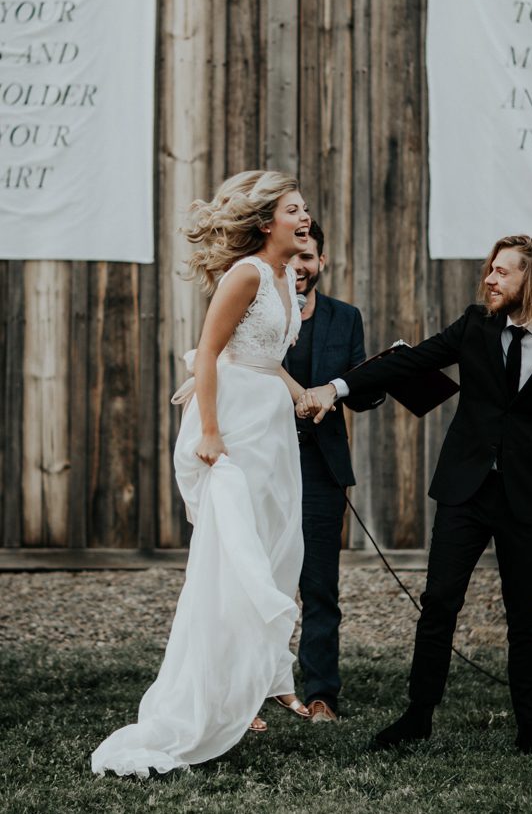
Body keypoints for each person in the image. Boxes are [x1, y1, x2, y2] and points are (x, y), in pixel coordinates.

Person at [297, 235, 532, 754]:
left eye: (501, 272)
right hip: (464, 491)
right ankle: (418, 716)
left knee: (526, 614)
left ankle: (531, 730)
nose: (489, 279)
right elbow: (407, 363)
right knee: (439, 603)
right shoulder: (475, 325)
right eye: (490, 270)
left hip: (527, 498)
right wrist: (336, 389)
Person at [92, 170, 315, 778]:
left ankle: (240, 692)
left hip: (271, 429)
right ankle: (197, 706)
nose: (305, 218)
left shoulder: (285, 279)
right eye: (294, 209)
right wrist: (210, 432)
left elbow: (263, 359)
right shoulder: (246, 273)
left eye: (305, 210)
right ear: (267, 221)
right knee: (230, 565)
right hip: (233, 431)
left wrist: (301, 394)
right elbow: (211, 351)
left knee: (270, 557)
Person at [285, 221, 384, 723]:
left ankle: (322, 692)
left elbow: (363, 390)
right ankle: (255, 690)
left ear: (321, 262)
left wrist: (375, 379)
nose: (299, 267)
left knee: (320, 584)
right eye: (292, 256)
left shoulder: (346, 317)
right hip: (261, 460)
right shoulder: (252, 309)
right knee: (257, 580)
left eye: (308, 258)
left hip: (320, 468)